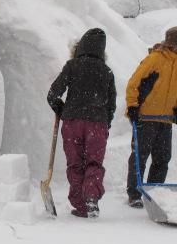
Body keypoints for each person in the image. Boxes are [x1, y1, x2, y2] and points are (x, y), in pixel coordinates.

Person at [47, 28, 116, 218]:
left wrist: (62, 110)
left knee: (75, 163)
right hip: (97, 124)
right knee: (94, 162)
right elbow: (111, 104)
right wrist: (105, 123)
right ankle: (91, 199)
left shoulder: (72, 66)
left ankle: (80, 204)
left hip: (72, 123)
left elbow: (53, 94)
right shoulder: (107, 72)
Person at [125, 26, 177, 208]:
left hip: (165, 119)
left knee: (163, 159)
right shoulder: (155, 59)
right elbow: (133, 83)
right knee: (140, 156)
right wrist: (132, 106)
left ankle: (154, 193)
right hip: (146, 117)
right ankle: (134, 193)